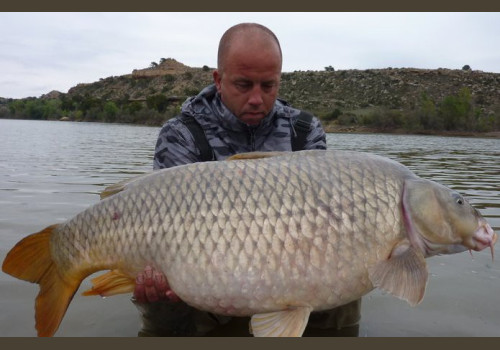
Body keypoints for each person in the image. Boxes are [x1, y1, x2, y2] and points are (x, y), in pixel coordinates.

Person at [132, 22, 361, 337]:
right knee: (160, 291)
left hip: (287, 264)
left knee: (346, 283)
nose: (257, 99)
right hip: (205, 269)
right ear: (219, 79)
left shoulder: (305, 131)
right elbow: (166, 221)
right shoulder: (183, 133)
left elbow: (321, 224)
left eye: (268, 86)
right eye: (243, 85)